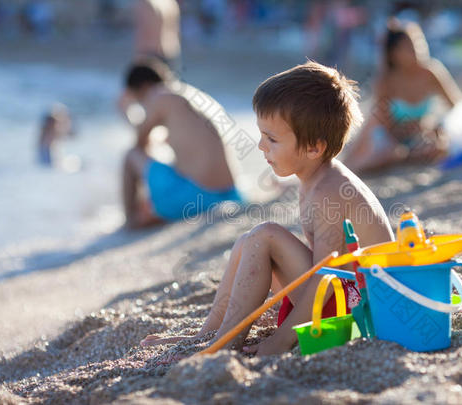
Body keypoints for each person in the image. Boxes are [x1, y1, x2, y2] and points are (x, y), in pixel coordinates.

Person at [140, 61, 394, 355]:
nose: (261, 146)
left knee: (265, 237)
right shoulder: (317, 178)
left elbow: (325, 277)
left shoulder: (329, 192)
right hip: (346, 293)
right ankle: (211, 333)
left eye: (271, 139)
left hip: (361, 307)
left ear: (314, 148)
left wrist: (279, 341)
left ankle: (224, 341)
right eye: (262, 135)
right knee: (249, 241)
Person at [120, 61, 241, 228]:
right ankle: (149, 211)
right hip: (232, 195)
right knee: (170, 166)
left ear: (144, 86)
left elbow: (139, 145)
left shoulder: (158, 96)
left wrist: (126, 112)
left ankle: (130, 222)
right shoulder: (185, 93)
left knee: (130, 156)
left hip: (199, 198)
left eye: (137, 99)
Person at [343, 19, 462, 173]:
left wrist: (437, 130)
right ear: (394, 54)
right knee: (385, 152)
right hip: (388, 137)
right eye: (409, 47)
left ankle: (405, 157)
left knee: (439, 147)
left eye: (419, 43)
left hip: (417, 136)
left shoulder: (431, 72)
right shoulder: (386, 80)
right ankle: (355, 166)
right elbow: (382, 121)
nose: (417, 50)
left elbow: (457, 106)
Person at [133, 0, 181, 71]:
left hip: (151, 54)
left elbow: (145, 31)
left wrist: (139, 58)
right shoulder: (170, 3)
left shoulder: (146, 4)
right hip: (171, 51)